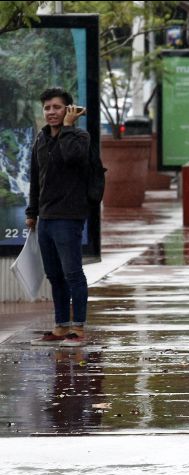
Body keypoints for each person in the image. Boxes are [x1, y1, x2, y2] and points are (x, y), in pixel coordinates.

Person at [26, 87, 90, 347]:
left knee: (73, 272)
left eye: (57, 107)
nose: (51, 112)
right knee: (54, 274)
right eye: (47, 108)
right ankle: (61, 326)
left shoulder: (79, 137)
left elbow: (71, 157)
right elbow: (35, 179)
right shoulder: (41, 139)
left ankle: (79, 328)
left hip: (69, 216)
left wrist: (67, 128)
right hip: (46, 217)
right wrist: (32, 212)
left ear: (68, 110)